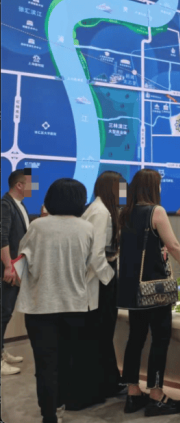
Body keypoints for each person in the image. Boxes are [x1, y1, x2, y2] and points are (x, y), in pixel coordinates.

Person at [17, 178, 114, 423]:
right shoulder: (86, 228)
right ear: (80, 201)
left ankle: (49, 414)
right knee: (66, 361)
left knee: (45, 365)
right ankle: (60, 405)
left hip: (40, 306)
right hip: (75, 306)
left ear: (50, 199)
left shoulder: (37, 226)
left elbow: (24, 259)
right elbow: (93, 262)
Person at [117, 169, 180, 417]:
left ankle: (132, 392)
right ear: (152, 187)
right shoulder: (156, 211)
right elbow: (173, 245)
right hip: (154, 288)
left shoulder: (125, 213)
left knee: (135, 338)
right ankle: (156, 395)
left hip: (131, 288)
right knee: (160, 339)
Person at [81, 171, 127, 399]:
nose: (125, 193)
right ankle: (105, 384)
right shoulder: (101, 213)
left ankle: (109, 381)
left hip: (101, 281)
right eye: (122, 188)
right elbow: (96, 255)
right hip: (100, 282)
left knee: (102, 334)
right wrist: (111, 280)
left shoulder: (102, 210)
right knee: (101, 333)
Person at [1, 168, 32, 376]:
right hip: (8, 269)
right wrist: (8, 266)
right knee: (3, 312)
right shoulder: (5, 205)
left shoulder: (20, 205)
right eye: (30, 183)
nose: (33, 187)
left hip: (17, 267)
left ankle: (2, 351)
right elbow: (2, 237)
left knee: (6, 312)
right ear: (19, 185)